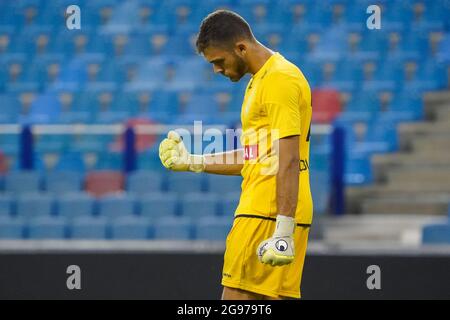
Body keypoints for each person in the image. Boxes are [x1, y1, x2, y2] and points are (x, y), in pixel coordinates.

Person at [158, 10, 313, 300]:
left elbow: (288, 159)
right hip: (274, 210)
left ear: (241, 48)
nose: (217, 70)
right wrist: (193, 161)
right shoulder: (263, 80)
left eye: (218, 61)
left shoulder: (279, 80)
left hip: (265, 213)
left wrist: (282, 229)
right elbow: (258, 156)